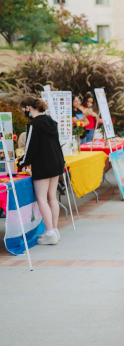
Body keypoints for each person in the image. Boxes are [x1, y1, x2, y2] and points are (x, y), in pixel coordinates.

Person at [19, 96, 65, 245]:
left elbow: (30, 148)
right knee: (52, 197)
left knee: (41, 199)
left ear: (28, 108)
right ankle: (54, 230)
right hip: (56, 163)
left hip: (43, 165)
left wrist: (22, 163)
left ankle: (49, 232)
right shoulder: (51, 122)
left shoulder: (34, 125)